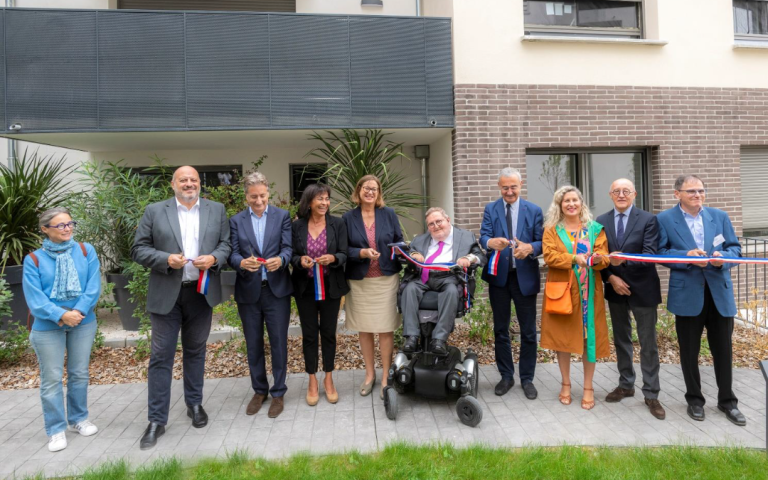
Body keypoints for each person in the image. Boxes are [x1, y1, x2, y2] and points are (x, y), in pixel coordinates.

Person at [132, 166, 231, 450]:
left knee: (196, 351)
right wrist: (166, 259)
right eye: (183, 180)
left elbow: (226, 244)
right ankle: (156, 420)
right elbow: (138, 249)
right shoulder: (155, 210)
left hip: (200, 294)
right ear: (173, 184)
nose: (189, 184)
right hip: (166, 294)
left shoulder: (216, 209)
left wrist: (213, 258)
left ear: (200, 184)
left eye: (194, 180)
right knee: (161, 356)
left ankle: (195, 404)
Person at [657, 175, 745, 426]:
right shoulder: (664, 219)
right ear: (677, 194)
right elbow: (660, 253)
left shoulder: (719, 216)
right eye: (692, 191)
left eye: (701, 190)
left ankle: (728, 402)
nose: (698, 195)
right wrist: (686, 256)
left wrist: (723, 258)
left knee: (724, 351)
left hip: (719, 293)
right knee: (689, 351)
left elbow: (735, 249)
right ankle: (694, 400)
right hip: (687, 294)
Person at [23, 208, 101, 452]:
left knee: (79, 374)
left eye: (69, 223)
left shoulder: (86, 251)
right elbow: (35, 299)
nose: (67, 228)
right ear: (45, 229)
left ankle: (78, 419)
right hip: (48, 327)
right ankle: (56, 430)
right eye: (60, 225)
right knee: (52, 379)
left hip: (82, 322)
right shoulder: (33, 259)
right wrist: (61, 315)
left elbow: (93, 286)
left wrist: (76, 313)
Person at [596, 178, 665, 420]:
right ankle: (626, 384)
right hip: (615, 288)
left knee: (648, 344)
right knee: (621, 339)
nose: (622, 194)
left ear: (634, 194)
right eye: (617, 191)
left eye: (626, 191)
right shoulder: (600, 222)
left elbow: (650, 255)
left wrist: (622, 261)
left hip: (643, 289)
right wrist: (611, 278)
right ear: (610, 194)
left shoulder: (648, 220)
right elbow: (598, 257)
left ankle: (651, 393)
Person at [228, 172, 293, 418]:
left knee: (278, 343)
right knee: (253, 344)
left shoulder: (282, 216)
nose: (258, 201)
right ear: (246, 196)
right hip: (248, 292)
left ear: (268, 193)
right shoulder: (235, 221)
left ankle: (278, 393)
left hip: (277, 291)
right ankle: (259, 390)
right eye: (253, 196)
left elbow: (288, 247)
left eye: (262, 195)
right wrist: (242, 263)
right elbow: (231, 253)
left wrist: (282, 259)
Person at [541, 186, 611, 410]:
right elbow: (550, 256)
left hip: (589, 292)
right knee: (563, 339)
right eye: (566, 201)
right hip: (563, 291)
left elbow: (605, 257)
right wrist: (573, 258)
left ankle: (589, 387)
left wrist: (599, 259)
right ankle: (565, 384)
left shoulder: (595, 229)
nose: (571, 204)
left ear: (581, 203)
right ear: (560, 205)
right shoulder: (552, 230)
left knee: (588, 338)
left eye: (574, 200)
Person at [480, 167, 544, 399]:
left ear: (520, 185)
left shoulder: (534, 210)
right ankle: (506, 376)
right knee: (501, 329)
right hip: (499, 278)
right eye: (505, 187)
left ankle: (527, 379)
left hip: (524, 277)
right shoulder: (491, 208)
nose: (509, 191)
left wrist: (531, 248)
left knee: (528, 331)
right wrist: (490, 242)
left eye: (513, 186)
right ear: (500, 187)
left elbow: (542, 241)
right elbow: (483, 236)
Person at [343, 175, 403, 399]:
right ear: (358, 190)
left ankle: (386, 375)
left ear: (379, 193)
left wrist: (404, 251)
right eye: (366, 188)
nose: (370, 192)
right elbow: (343, 249)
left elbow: (399, 240)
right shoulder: (348, 217)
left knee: (386, 329)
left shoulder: (388, 214)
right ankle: (370, 375)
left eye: (375, 189)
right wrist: (361, 253)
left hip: (386, 279)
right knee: (365, 329)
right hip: (360, 281)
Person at [290, 184, 349, 406]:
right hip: (304, 288)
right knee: (309, 334)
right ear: (309, 202)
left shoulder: (338, 224)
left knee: (328, 333)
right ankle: (312, 380)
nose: (324, 203)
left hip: (331, 287)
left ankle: (329, 379)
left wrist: (333, 259)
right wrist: (300, 261)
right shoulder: (297, 226)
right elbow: (291, 254)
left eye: (327, 199)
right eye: (319, 199)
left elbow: (344, 253)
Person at [400, 207, 485, 355]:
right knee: (410, 288)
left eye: (438, 221)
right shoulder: (420, 239)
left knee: (452, 291)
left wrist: (468, 258)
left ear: (448, 220)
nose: (436, 226)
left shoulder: (465, 237)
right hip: (424, 277)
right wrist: (413, 254)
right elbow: (409, 250)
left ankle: (439, 339)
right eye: (431, 224)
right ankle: (411, 337)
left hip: (449, 277)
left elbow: (480, 256)